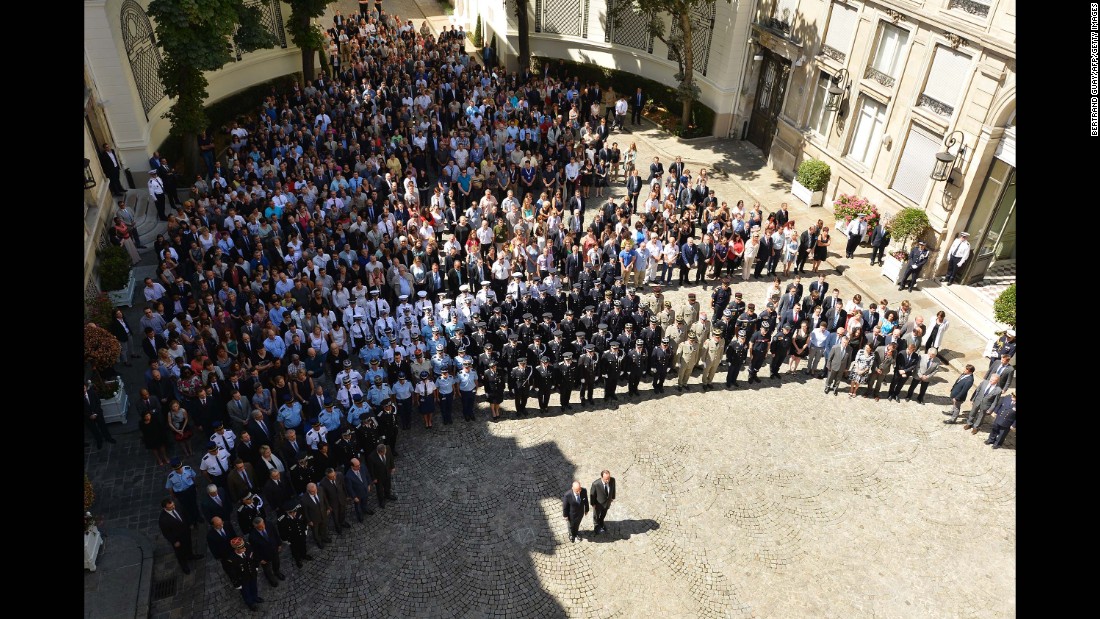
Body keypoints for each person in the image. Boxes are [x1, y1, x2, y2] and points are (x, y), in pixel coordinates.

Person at [159, 498, 203, 574]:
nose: (173, 507)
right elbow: (166, 533)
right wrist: (174, 541)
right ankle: (183, 565)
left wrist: (190, 524)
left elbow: (185, 514)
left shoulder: (178, 506)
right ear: (165, 508)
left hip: (186, 532)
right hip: (177, 539)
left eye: (173, 505)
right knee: (180, 552)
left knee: (189, 545)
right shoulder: (163, 519)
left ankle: (190, 555)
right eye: (170, 507)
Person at [222, 537, 263, 611]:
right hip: (242, 579)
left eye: (244, 547)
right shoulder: (230, 559)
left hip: (252, 573)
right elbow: (231, 573)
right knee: (245, 592)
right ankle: (250, 603)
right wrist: (236, 583)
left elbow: (254, 556)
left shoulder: (247, 546)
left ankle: (255, 597)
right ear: (236, 549)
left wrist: (256, 566)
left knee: (254, 586)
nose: (244, 549)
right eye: (242, 548)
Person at [248, 517, 285, 587]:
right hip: (264, 556)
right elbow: (254, 550)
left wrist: (279, 544)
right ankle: (272, 579)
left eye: (263, 525)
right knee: (267, 569)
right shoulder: (252, 536)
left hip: (274, 550)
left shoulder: (269, 524)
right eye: (260, 527)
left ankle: (277, 572)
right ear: (255, 527)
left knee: (276, 562)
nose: (262, 527)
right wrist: (260, 559)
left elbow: (275, 534)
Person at [165, 457, 201, 525]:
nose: (179, 470)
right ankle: (191, 520)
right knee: (186, 507)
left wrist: (195, 486)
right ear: (173, 469)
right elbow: (169, 487)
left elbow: (193, 477)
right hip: (181, 493)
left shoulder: (188, 469)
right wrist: (173, 495)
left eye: (180, 467)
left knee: (194, 504)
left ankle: (198, 517)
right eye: (177, 469)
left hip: (190, 489)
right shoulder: (171, 476)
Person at [276, 502, 313, 567]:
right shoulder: (282, 520)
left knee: (303, 546)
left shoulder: (299, 511)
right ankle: (298, 560)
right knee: (295, 550)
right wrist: (287, 541)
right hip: (292, 539)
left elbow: (304, 521)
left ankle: (304, 555)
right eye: (291, 512)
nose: (293, 514)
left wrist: (305, 530)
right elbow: (282, 533)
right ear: (287, 512)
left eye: (294, 512)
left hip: (302, 535)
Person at [299, 482, 332, 549]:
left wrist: (328, 507)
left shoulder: (320, 489)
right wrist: (309, 521)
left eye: (315, 490)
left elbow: (325, 499)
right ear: (308, 491)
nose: (315, 492)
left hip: (323, 514)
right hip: (313, 519)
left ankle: (324, 537)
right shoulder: (304, 499)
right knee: (315, 532)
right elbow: (305, 512)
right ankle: (318, 542)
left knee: (324, 527)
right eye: (312, 492)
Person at [84, 383, 117, 449]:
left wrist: (95, 413)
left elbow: (98, 402)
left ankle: (108, 438)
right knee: (94, 430)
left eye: (83, 388)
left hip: (98, 413)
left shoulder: (92, 393)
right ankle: (99, 441)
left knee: (103, 426)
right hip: (88, 417)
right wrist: (89, 416)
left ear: (86, 387)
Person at [589, 470, 616, 535]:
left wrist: (612, 497)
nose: (608, 481)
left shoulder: (612, 480)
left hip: (607, 502)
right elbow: (592, 494)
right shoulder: (596, 484)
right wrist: (593, 504)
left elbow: (613, 489)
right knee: (596, 515)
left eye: (608, 478)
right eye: (606, 479)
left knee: (604, 513)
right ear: (601, 477)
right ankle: (596, 526)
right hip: (598, 503)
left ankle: (601, 522)